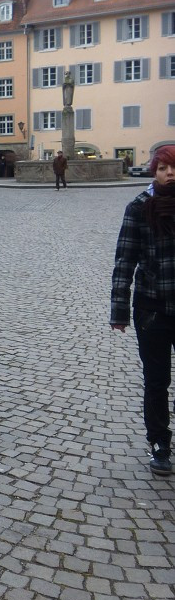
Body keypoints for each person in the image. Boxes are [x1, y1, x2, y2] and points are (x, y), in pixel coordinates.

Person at [110, 145, 175, 476]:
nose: (169, 173)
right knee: (156, 380)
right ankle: (160, 444)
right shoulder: (138, 207)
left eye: (174, 167)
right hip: (152, 308)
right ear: (154, 170)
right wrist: (119, 310)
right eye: (163, 167)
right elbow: (125, 259)